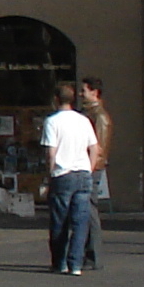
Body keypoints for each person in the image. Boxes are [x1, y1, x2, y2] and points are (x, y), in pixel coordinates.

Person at [40, 83, 99, 276]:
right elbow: (94, 148)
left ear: (56, 99)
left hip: (62, 173)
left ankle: (60, 262)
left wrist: (49, 176)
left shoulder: (52, 121)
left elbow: (51, 152)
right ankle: (76, 264)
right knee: (80, 221)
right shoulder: (83, 120)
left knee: (59, 221)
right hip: (82, 172)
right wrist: (88, 169)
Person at [76, 77, 112, 270]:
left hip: (91, 168)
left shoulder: (100, 117)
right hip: (86, 166)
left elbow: (99, 147)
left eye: (84, 90)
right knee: (85, 209)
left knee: (89, 210)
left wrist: (90, 169)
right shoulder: (87, 114)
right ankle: (85, 253)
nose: (81, 94)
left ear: (94, 92)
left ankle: (93, 254)